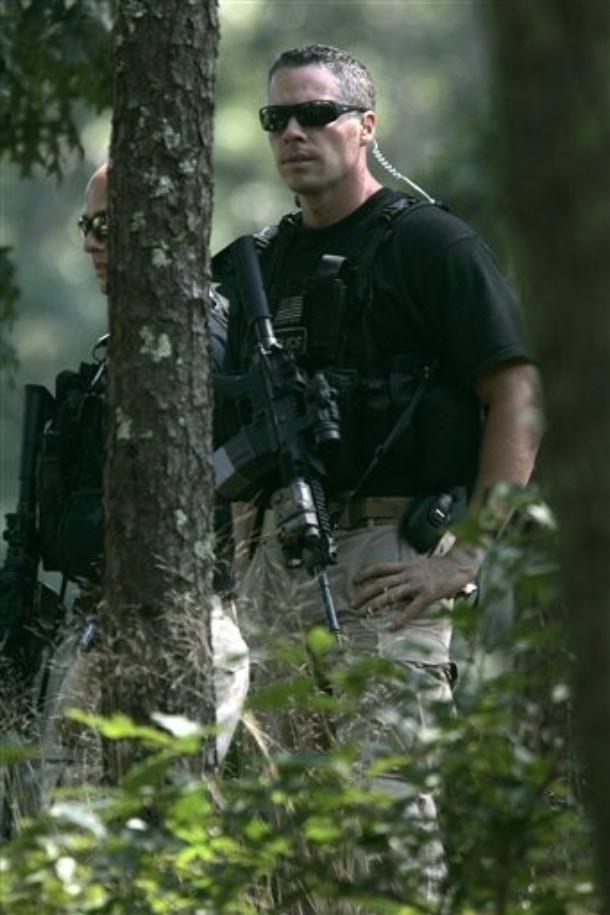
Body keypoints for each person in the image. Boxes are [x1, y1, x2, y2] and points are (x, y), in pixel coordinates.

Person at [213, 44, 542, 906]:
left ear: (364, 126)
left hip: (391, 559)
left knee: (386, 823)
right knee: (289, 834)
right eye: (277, 118)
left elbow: (517, 393)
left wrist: (467, 555)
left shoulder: (431, 244)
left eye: (316, 113)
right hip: (279, 563)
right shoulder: (264, 265)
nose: (294, 132)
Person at [0, 163, 248, 836]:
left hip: (179, 627)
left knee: (153, 836)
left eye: (107, 227)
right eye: (87, 226)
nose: (91, 243)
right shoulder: (124, 348)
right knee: (70, 836)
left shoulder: (199, 341)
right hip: (101, 625)